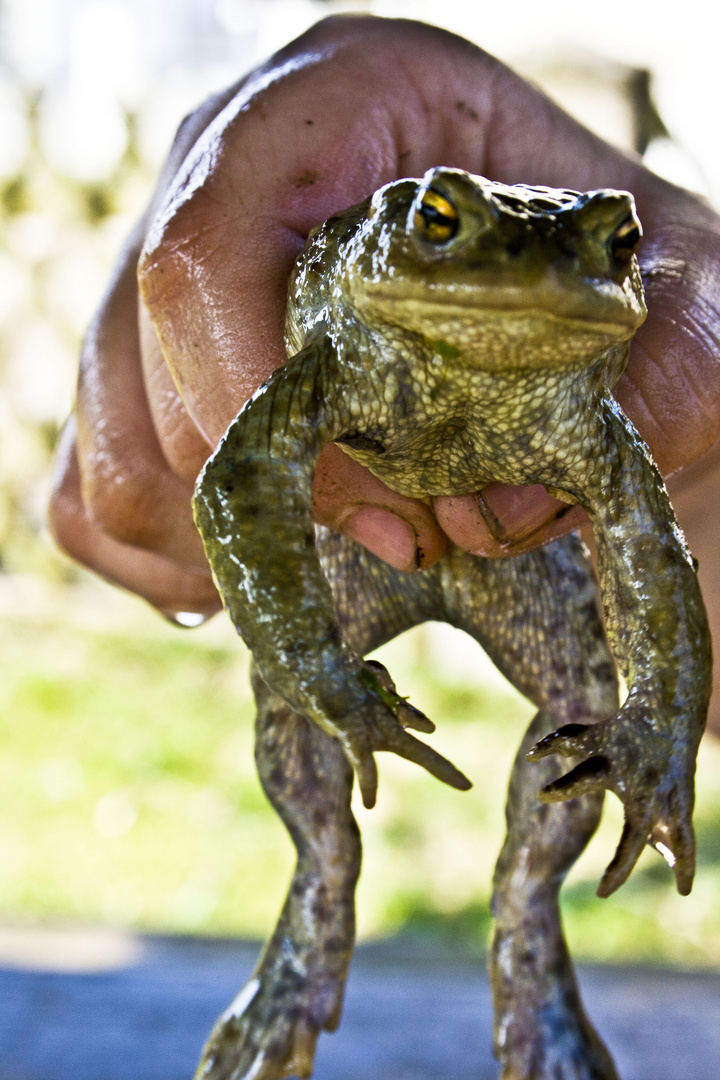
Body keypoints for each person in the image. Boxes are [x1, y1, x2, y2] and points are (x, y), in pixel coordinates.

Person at [49, 15, 720, 730]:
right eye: (440, 221)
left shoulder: (606, 410)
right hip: (362, 414)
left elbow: (656, 555)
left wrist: (659, 740)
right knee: (297, 750)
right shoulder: (342, 351)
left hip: (546, 514)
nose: (529, 279)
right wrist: (319, 668)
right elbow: (237, 477)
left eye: (613, 243)